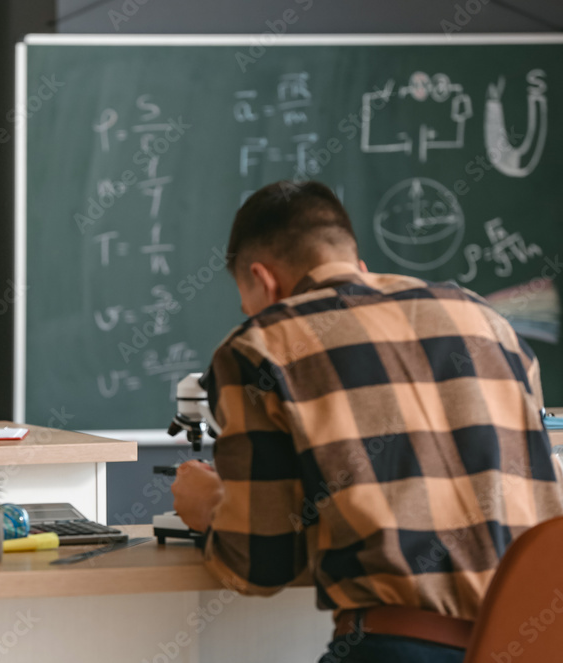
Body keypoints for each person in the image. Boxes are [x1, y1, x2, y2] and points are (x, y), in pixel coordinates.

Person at [171, 180, 563, 662]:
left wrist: (209, 504)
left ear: (264, 280)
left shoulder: (260, 344)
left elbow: (260, 564)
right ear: (358, 265)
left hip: (401, 648)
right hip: (539, 641)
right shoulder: (489, 322)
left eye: (246, 301)